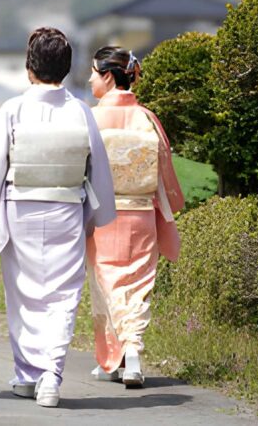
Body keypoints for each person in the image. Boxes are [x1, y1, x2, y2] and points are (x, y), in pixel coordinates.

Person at [0, 27, 116, 408]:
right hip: (65, 208)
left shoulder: (12, 109)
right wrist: (95, 217)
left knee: (22, 295)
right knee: (63, 296)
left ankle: (27, 374)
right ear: (66, 69)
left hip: (20, 209)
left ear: (29, 68)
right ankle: (51, 374)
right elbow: (98, 170)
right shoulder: (81, 111)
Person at [86, 45, 184, 387]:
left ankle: (119, 358)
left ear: (109, 77)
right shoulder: (147, 118)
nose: (89, 80)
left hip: (104, 214)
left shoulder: (92, 118)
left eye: (94, 73)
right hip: (141, 213)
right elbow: (164, 173)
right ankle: (131, 355)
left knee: (108, 285)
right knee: (137, 286)